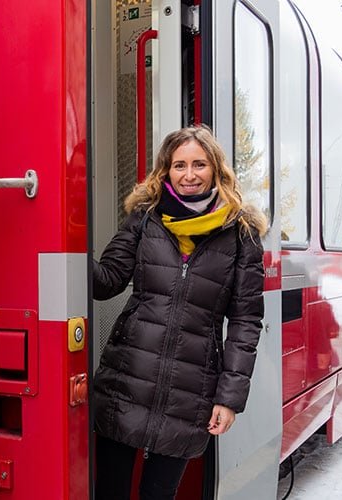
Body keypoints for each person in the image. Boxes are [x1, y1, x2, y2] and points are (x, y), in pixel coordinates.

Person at [93, 125, 267, 499]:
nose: (189, 175)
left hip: (191, 390)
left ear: (216, 170)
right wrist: (61, 242)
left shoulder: (242, 234)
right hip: (127, 378)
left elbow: (245, 320)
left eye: (199, 164)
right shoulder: (144, 219)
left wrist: (229, 398)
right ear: (165, 171)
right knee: (110, 492)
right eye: (179, 165)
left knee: (159, 494)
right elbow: (105, 281)